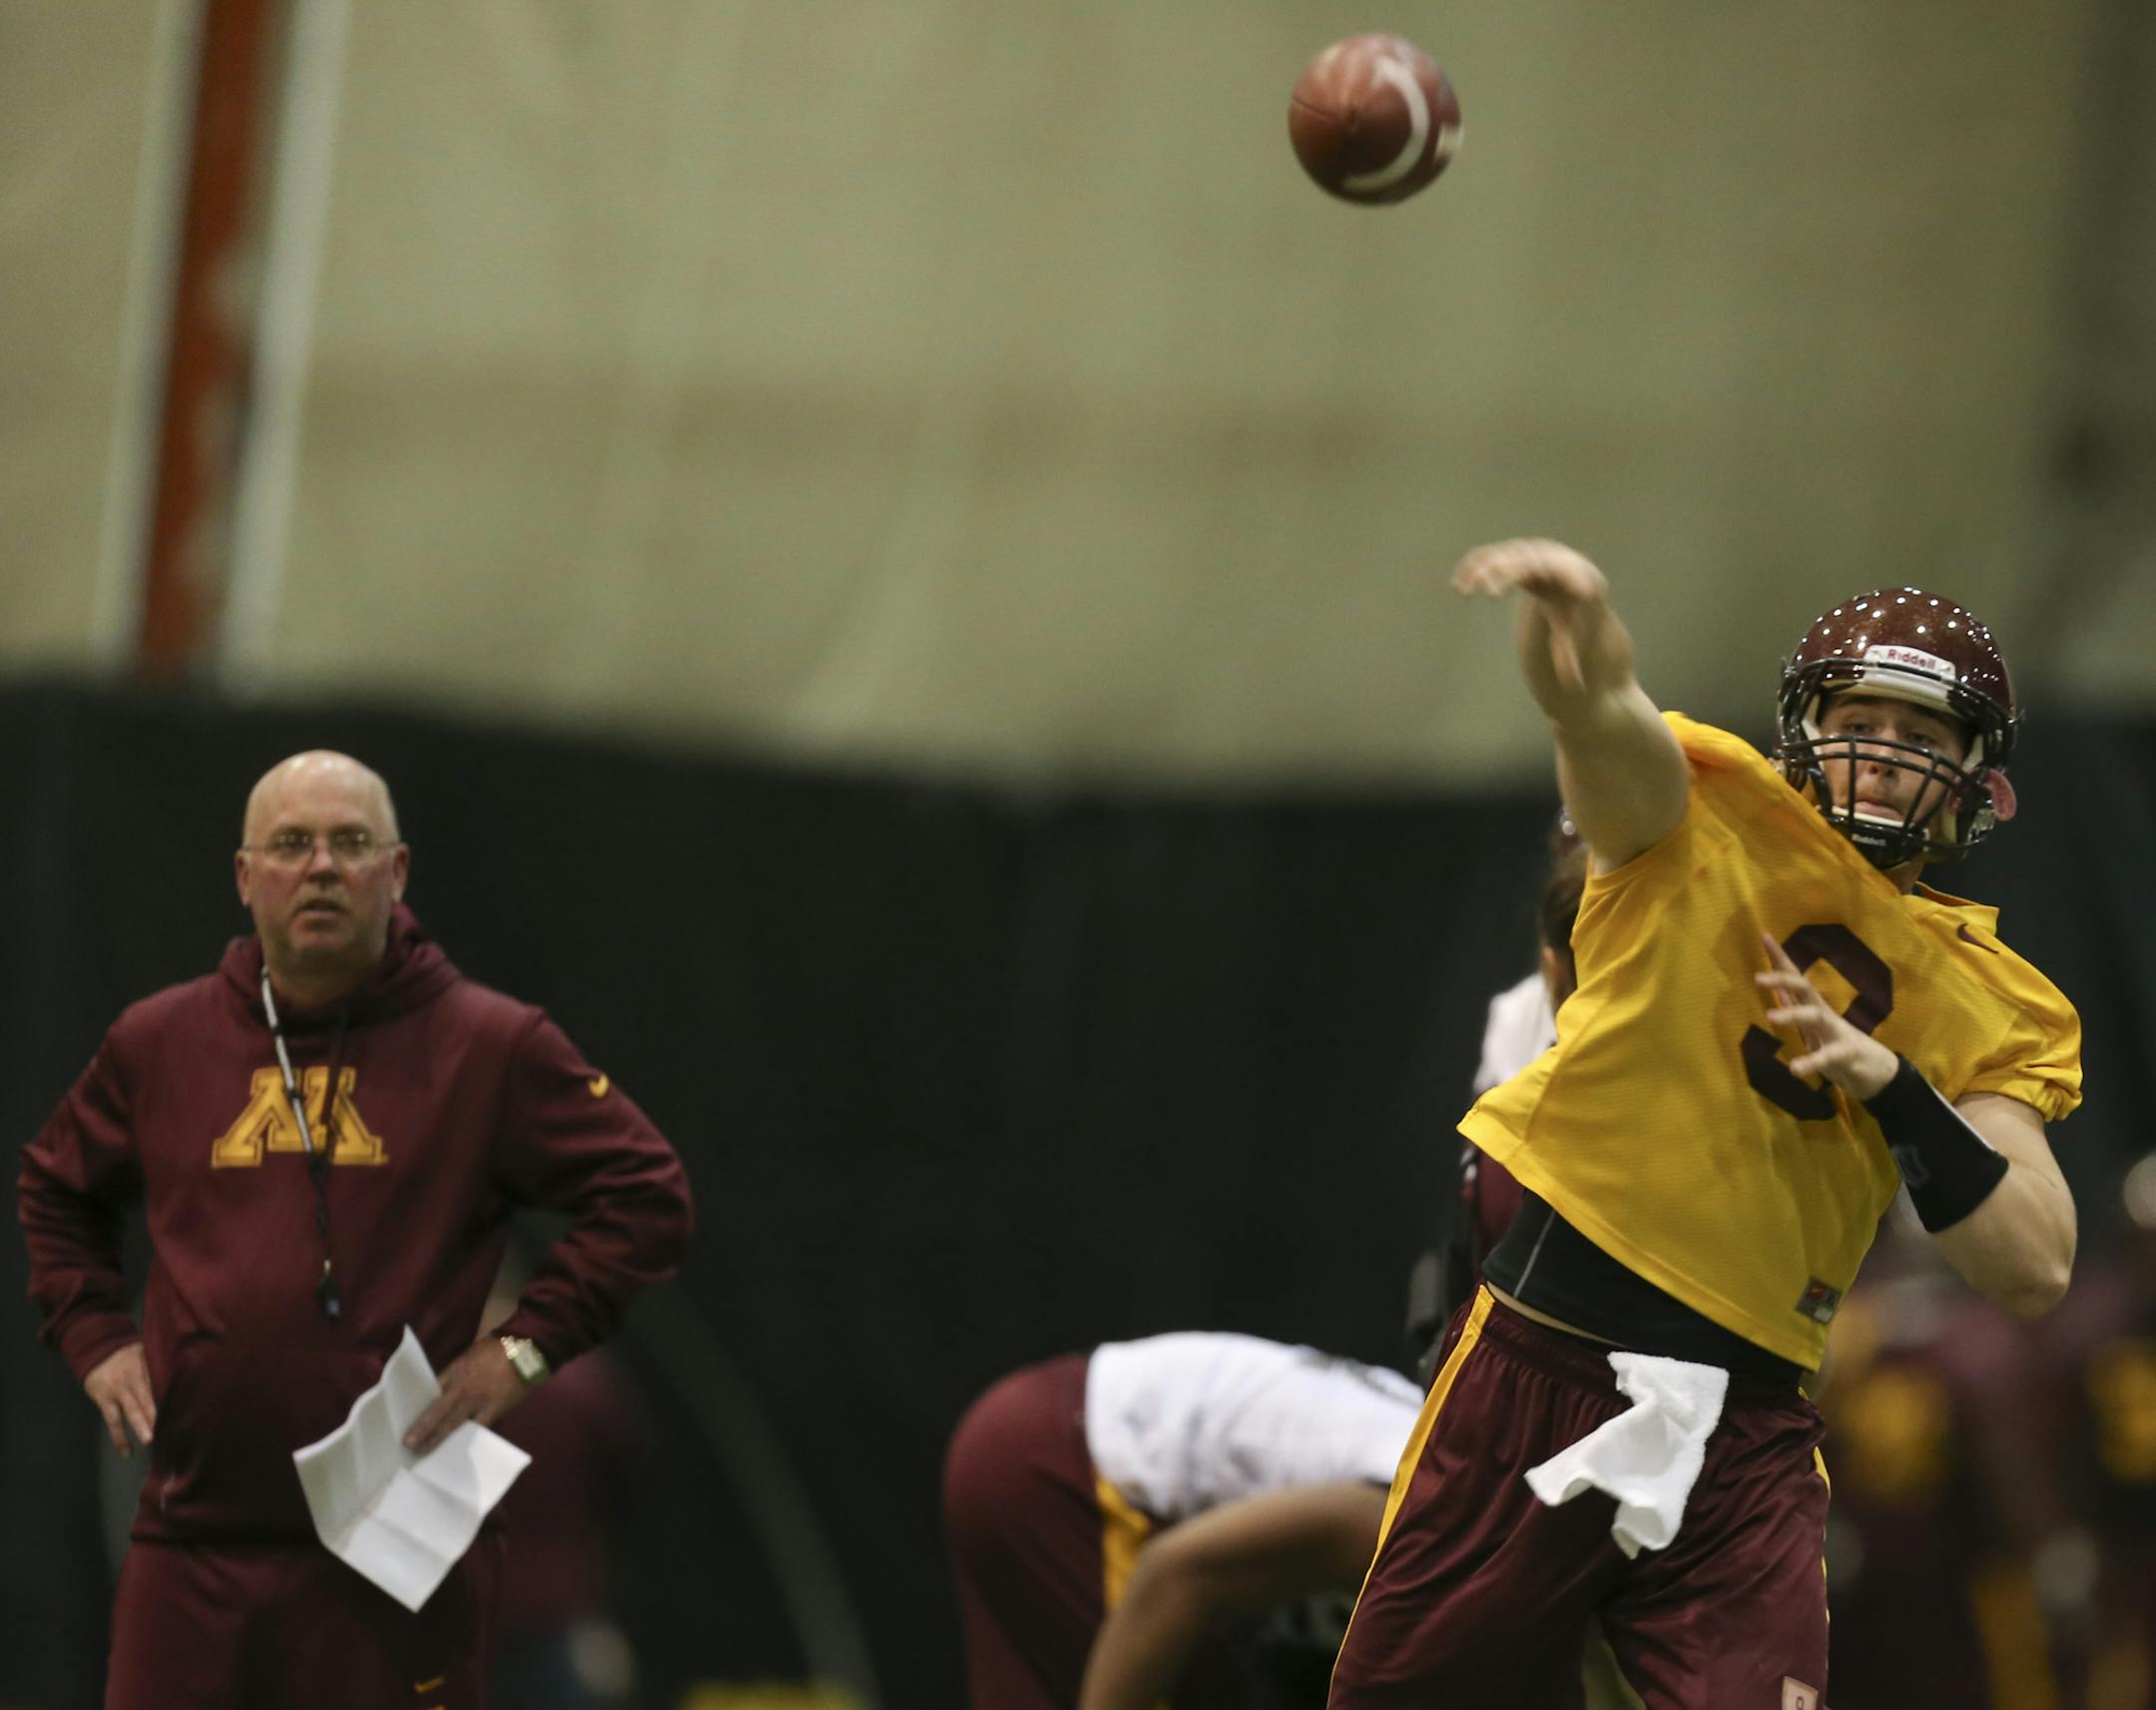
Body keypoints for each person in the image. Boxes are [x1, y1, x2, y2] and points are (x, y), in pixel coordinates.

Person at [1328, 541, 2082, 1708]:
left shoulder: (1998, 996)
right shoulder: (1703, 809)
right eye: (1861, 719)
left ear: (1979, 781)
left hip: (1751, 1423)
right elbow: (1595, 709)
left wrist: (1898, 1089)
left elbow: (2033, 1262)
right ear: (1800, 731)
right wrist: (1571, 620)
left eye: (1923, 738)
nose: (1884, 761)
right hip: (1544, 1353)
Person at [16, 751, 695, 1710]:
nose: (322, 866)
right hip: (192, 1542)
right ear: (246, 878)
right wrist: (93, 1335)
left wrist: (522, 1353)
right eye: (292, 844)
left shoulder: (487, 1044)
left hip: (393, 1546)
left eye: (350, 842)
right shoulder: (160, 1043)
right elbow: (53, 1188)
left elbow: (648, 1191)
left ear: (399, 871)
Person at [942, 1331, 1423, 1710]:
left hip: (1042, 1436)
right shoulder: (1407, 1520)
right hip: (1068, 1468)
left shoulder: (1433, 1474)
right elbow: (1175, 1573)